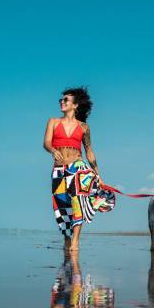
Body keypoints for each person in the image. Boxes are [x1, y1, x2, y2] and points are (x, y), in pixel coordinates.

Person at [43, 87, 116, 251]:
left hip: (78, 168)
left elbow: (89, 152)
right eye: (61, 100)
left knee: (78, 204)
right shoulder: (53, 122)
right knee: (61, 207)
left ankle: (75, 241)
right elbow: (46, 142)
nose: (62, 102)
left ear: (75, 105)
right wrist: (53, 150)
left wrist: (98, 175)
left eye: (66, 100)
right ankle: (67, 238)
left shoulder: (84, 127)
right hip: (59, 170)